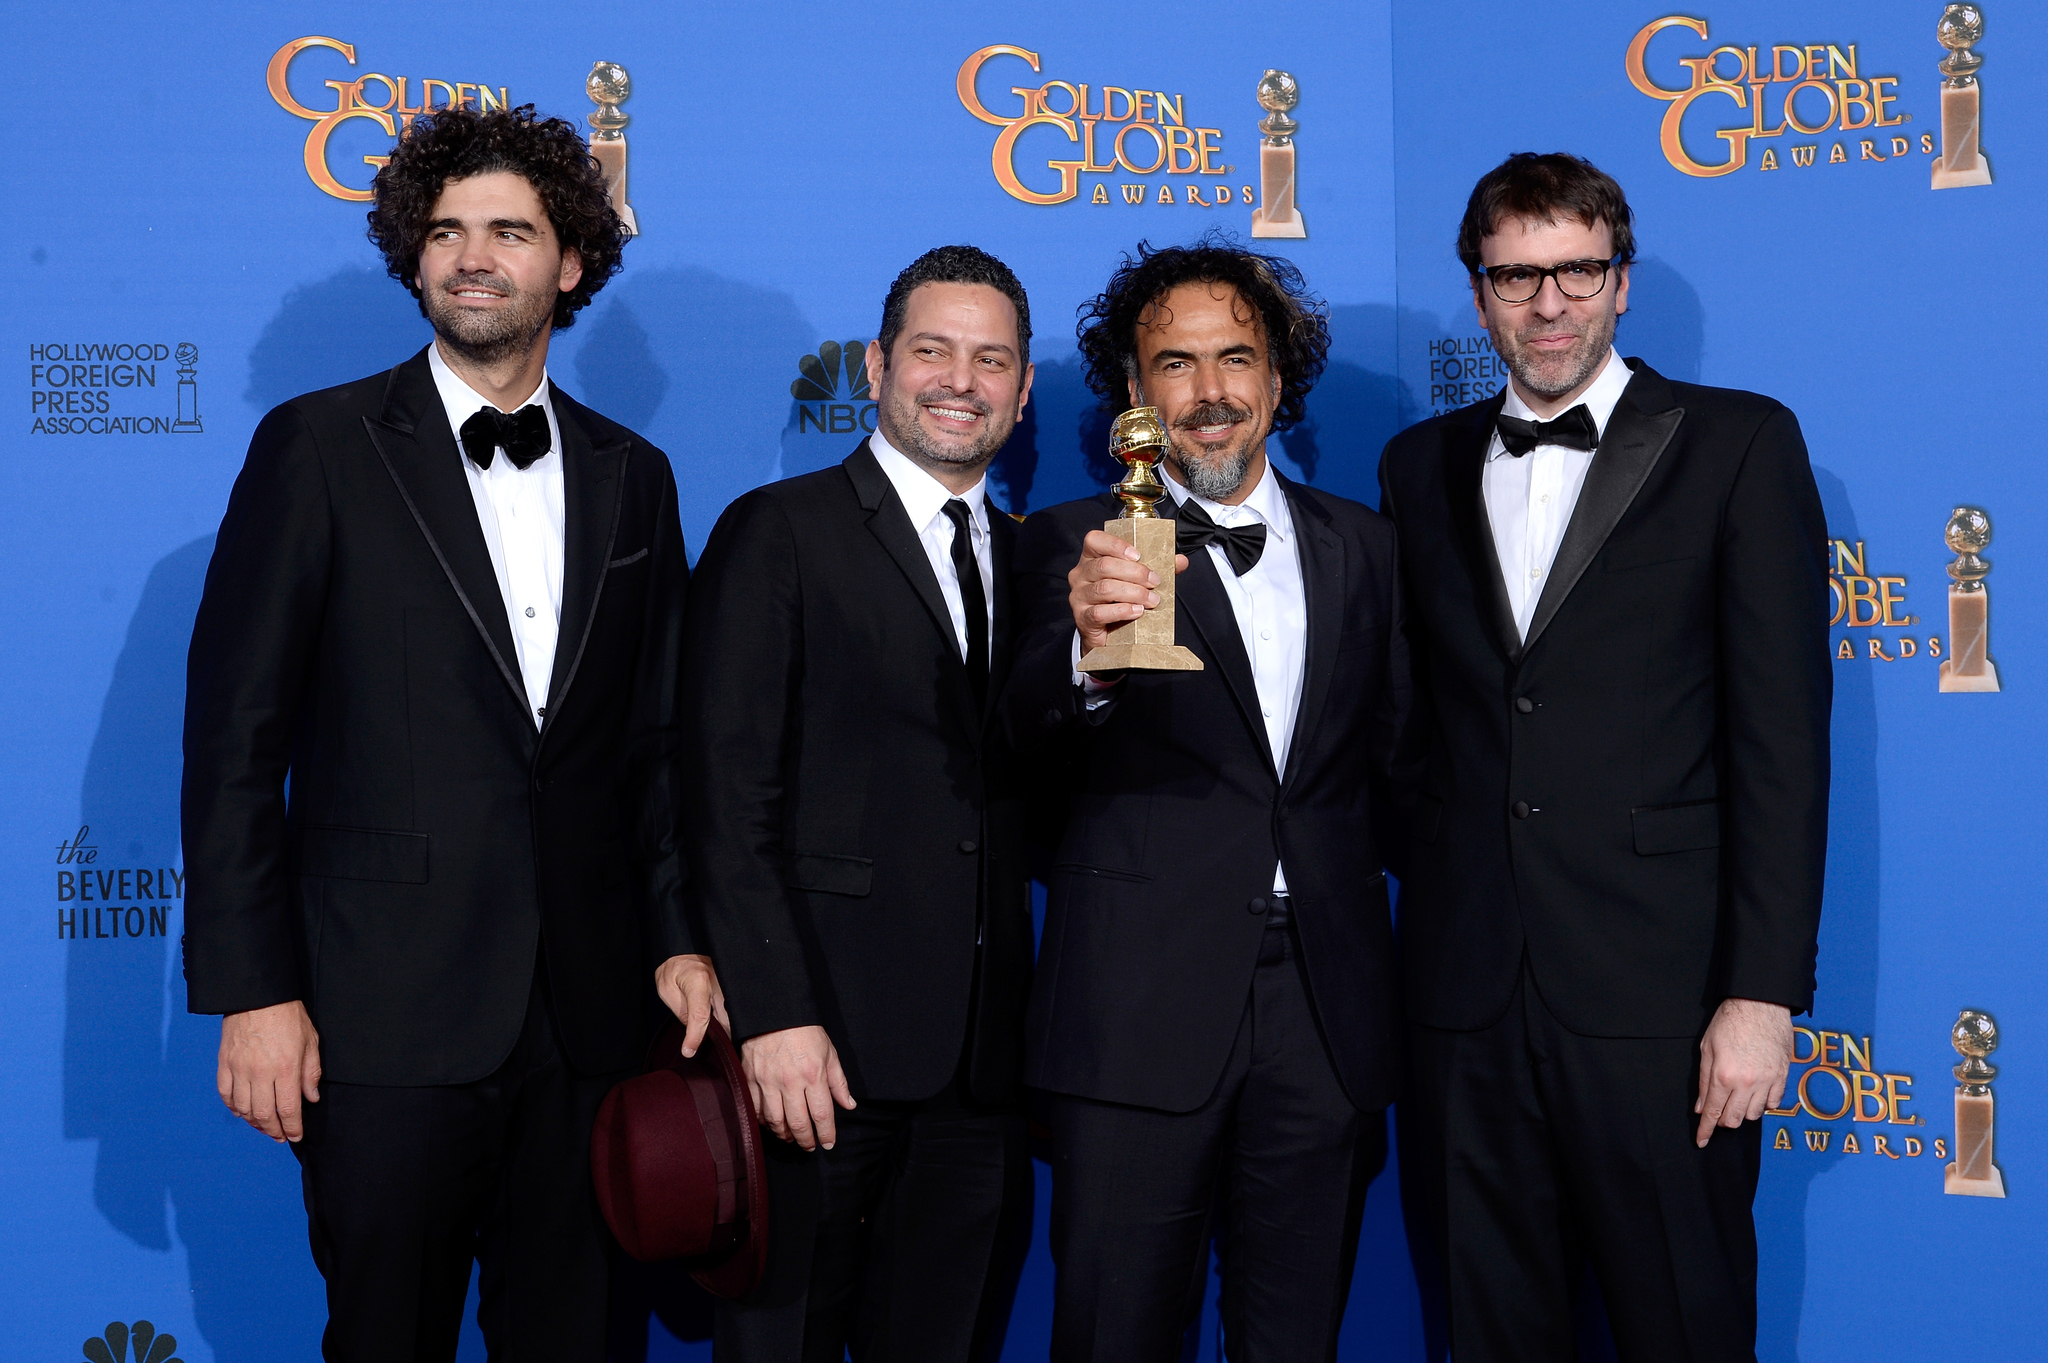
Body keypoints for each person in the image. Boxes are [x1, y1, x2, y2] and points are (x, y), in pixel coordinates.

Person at [181, 104, 722, 1362]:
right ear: (413, 258)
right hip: (383, 1016)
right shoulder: (315, 447)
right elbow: (234, 742)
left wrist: (684, 939)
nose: (473, 256)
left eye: (510, 232)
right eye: (445, 232)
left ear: (570, 261)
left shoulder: (635, 473)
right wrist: (255, 990)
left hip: (588, 1021)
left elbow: (654, 748)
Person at [1377, 151, 1830, 1360]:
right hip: (1463, 1003)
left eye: (1575, 269)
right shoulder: (1414, 468)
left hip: (1661, 1003)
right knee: (1482, 1329)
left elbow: (1781, 744)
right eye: (1515, 275)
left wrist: (1760, 993)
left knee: (1680, 1323)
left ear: (1619, 281)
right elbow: (1408, 725)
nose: (1546, 303)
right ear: (1475, 294)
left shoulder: (1738, 444)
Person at [1005, 235, 1411, 1361]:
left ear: (1278, 378)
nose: (1210, 392)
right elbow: (1013, 745)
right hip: (1133, 1014)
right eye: (1173, 365)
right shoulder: (1064, 544)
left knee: (1296, 1339)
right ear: (1133, 395)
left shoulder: (1366, 549)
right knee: (1114, 1336)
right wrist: (1087, 660)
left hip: (1323, 1019)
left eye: (1236, 357)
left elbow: (1399, 770)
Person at [683, 245, 1037, 1361]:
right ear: (877, 365)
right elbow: (723, 793)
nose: (959, 381)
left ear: (1024, 391)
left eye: (990, 360)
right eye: (931, 350)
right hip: (818, 1052)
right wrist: (777, 1013)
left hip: (982, 1067)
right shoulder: (777, 530)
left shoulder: (1044, 563)